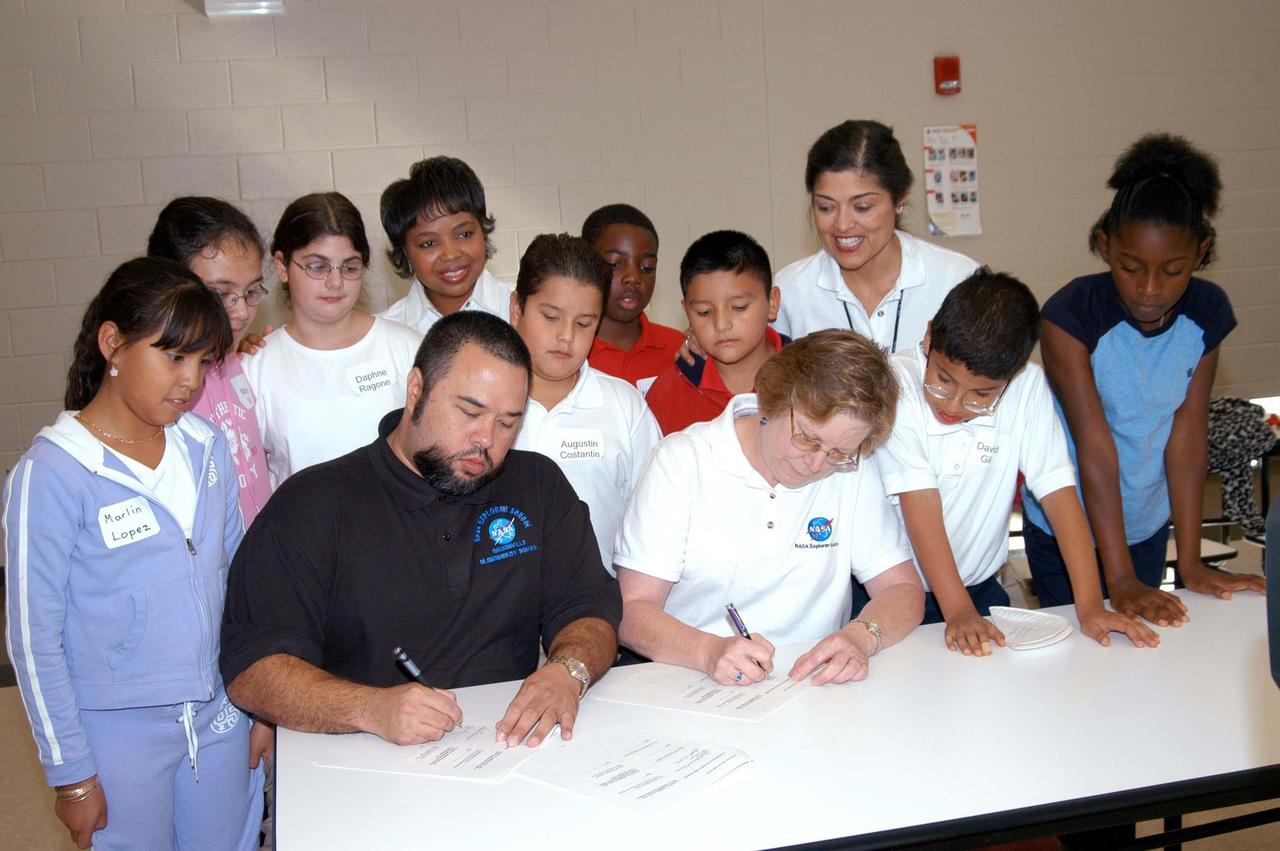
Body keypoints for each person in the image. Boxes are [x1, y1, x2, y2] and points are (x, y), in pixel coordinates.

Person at [220, 311, 622, 750]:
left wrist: (569, 670)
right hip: (358, 756)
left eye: (508, 423)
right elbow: (253, 668)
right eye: (470, 411)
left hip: (509, 749)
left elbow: (590, 608)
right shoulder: (314, 503)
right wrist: (369, 708)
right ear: (416, 390)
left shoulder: (536, 485)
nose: (486, 439)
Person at [4, 258, 262, 851]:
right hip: (114, 735)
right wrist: (71, 776)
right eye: (173, 357)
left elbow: (240, 585)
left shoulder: (204, 448)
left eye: (202, 362)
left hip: (220, 715)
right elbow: (32, 639)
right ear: (113, 343)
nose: (190, 381)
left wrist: (257, 706)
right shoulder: (51, 474)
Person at [1022, 133, 1266, 625]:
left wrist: (1191, 560)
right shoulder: (1072, 315)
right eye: (1131, 268)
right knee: (1081, 653)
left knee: (1142, 651)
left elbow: (1188, 435)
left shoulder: (1208, 312)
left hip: (1145, 522)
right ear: (1103, 244)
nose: (1150, 290)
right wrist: (1119, 577)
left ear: (1202, 252)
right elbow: (1094, 445)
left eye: (1173, 271)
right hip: (1066, 523)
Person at [615, 330, 924, 686]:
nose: (816, 463)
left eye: (838, 453)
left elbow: (902, 588)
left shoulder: (852, 471)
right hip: (691, 678)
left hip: (811, 685)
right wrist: (708, 651)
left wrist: (862, 636)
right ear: (773, 399)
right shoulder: (682, 461)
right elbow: (631, 611)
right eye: (807, 437)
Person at [877, 269, 1158, 655]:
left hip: (978, 589)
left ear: (1014, 374)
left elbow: (1059, 495)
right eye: (943, 380)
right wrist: (957, 610)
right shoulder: (895, 383)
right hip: (890, 594)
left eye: (981, 395)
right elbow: (919, 502)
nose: (955, 404)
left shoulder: (1028, 388)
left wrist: (1091, 606)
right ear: (928, 337)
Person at [242, 192, 421, 489]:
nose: (335, 282)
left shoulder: (408, 348)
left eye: (350, 267)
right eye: (317, 266)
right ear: (283, 266)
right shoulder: (255, 367)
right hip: (302, 531)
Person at [509, 233, 662, 572]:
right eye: (550, 317)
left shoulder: (625, 407)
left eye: (584, 324)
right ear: (516, 307)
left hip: (599, 605)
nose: (566, 336)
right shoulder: (482, 402)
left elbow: (655, 521)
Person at [772, 120, 977, 352]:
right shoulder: (789, 292)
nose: (842, 224)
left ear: (900, 197)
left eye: (862, 207)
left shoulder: (957, 281)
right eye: (826, 207)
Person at [147, 196, 272, 528]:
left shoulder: (235, 361)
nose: (242, 311)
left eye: (252, 292)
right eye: (220, 293)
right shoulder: (156, 388)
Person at [645, 230, 786, 435]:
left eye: (739, 307)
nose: (721, 324)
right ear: (687, 313)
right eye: (704, 312)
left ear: (772, 302)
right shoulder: (667, 393)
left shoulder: (811, 379)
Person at [379, 156, 514, 334]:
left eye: (464, 234)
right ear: (405, 252)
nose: (451, 254)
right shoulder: (386, 332)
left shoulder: (527, 309)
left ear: (482, 231)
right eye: (428, 243)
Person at [580, 203, 684, 390]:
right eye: (614, 264)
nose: (633, 278)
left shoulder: (679, 350)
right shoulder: (569, 352)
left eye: (646, 267)